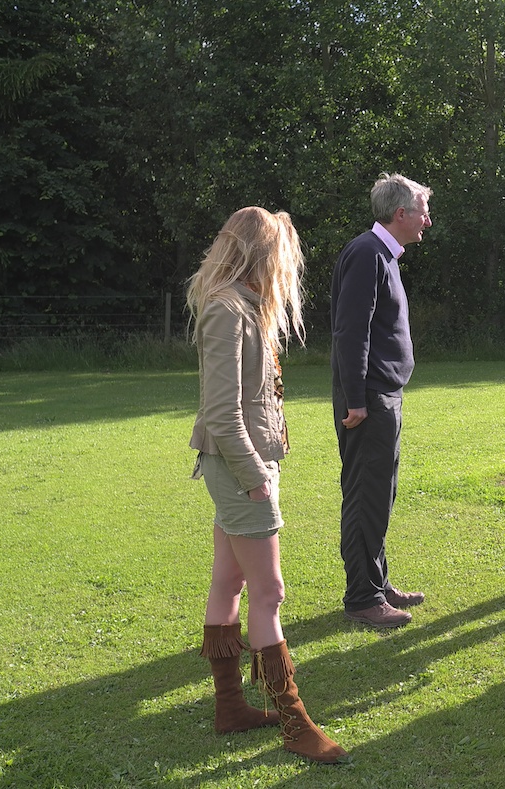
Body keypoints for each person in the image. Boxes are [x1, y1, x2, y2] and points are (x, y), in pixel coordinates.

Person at [188, 206, 346, 764]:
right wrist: (256, 477)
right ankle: (295, 724)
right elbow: (221, 411)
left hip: (241, 465)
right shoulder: (227, 310)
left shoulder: (244, 305)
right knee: (270, 592)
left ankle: (230, 708)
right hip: (239, 468)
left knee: (228, 580)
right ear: (261, 253)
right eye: (281, 253)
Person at [331, 173, 433, 629]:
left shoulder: (382, 255)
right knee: (365, 495)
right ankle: (363, 598)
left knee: (379, 494)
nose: (427, 221)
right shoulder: (367, 253)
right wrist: (356, 399)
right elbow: (350, 331)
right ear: (400, 213)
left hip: (380, 395)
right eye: (423, 213)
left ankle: (377, 584)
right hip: (368, 400)